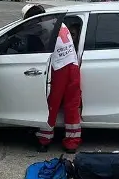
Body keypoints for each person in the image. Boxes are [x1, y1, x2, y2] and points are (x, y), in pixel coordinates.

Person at [36, 16, 84, 153]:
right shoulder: (59, 23)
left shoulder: (42, 26)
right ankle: (72, 143)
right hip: (73, 65)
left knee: (51, 104)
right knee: (72, 105)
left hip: (59, 67)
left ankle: (44, 139)